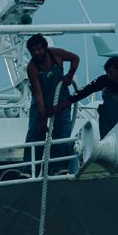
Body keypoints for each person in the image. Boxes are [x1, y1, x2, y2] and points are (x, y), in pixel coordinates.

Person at [57, 55, 118, 153]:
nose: (108, 75)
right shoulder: (103, 80)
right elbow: (85, 90)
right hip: (106, 126)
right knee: (107, 152)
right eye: (107, 72)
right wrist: (66, 102)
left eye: (111, 72)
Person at [24, 33, 80, 173]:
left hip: (61, 102)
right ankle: (29, 170)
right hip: (41, 104)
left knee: (62, 135)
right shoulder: (32, 68)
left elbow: (75, 58)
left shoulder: (56, 54)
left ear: (45, 47)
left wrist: (69, 75)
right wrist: (43, 119)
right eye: (33, 51)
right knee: (35, 136)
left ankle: (59, 168)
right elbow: (37, 94)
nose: (37, 52)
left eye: (39, 49)